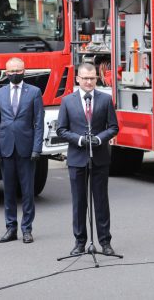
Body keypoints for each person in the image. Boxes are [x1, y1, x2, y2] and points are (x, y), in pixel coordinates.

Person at [57, 63, 119, 256]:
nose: (89, 82)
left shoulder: (106, 99)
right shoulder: (67, 101)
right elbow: (61, 129)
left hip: (100, 158)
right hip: (77, 158)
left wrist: (100, 138)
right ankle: (80, 242)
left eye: (92, 78)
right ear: (78, 79)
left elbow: (113, 127)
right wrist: (80, 140)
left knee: (101, 201)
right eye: (85, 78)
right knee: (79, 202)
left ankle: (105, 241)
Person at [0, 57, 44, 244]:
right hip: (6, 149)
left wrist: (37, 148)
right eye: (11, 71)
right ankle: (10, 228)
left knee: (28, 192)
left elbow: (38, 123)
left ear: (24, 71)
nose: (15, 74)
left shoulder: (35, 92)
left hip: (27, 149)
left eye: (18, 70)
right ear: (6, 73)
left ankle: (27, 229)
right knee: (8, 192)